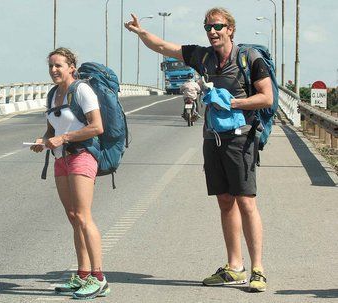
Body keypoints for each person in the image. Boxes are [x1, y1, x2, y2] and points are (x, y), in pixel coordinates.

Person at [125, 7, 272, 292]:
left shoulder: (249, 58)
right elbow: (163, 46)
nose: (212, 31)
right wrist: (141, 32)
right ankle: (234, 266)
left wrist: (233, 103)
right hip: (213, 138)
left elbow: (265, 97)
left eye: (217, 26)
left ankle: (257, 269)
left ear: (230, 28)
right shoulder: (202, 56)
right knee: (225, 201)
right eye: (207, 27)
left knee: (246, 202)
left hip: (241, 138)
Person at [30, 47, 110, 299]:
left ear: (71, 67)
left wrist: (64, 137)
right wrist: (43, 140)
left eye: (59, 65)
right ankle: (83, 274)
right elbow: (51, 131)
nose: (54, 70)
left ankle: (99, 278)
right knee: (74, 216)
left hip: (82, 155)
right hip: (60, 159)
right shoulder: (53, 94)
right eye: (51, 66)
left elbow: (97, 127)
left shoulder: (82, 90)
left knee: (84, 216)